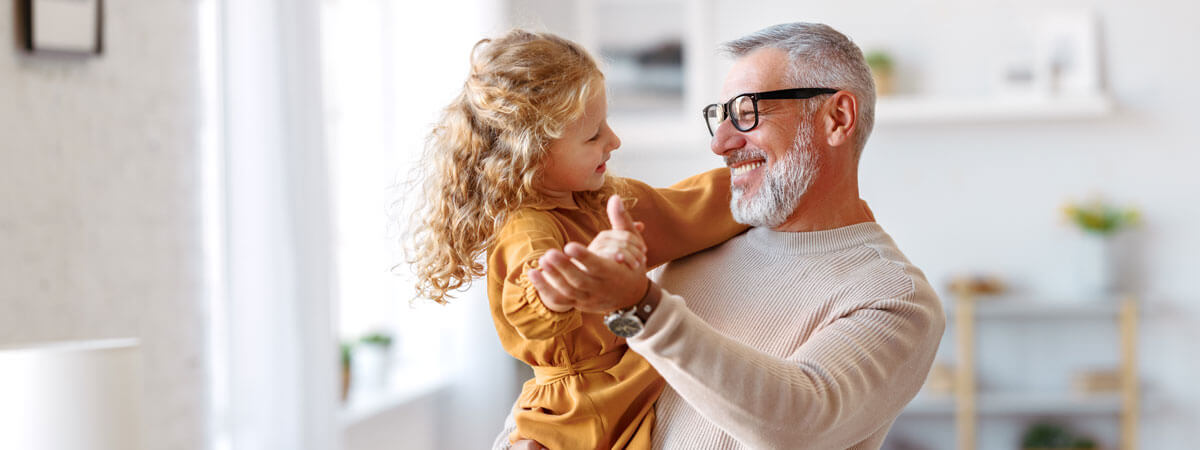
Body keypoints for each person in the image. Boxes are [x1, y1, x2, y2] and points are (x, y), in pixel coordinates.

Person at [498, 22, 946, 449]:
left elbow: (797, 423)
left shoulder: (894, 297)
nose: (721, 142)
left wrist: (639, 305)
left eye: (748, 113)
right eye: (721, 116)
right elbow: (591, 379)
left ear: (837, 117)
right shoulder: (705, 240)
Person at [408, 30, 747, 449]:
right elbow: (533, 296)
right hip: (575, 415)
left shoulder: (602, 202)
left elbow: (684, 208)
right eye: (593, 136)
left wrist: (760, 184)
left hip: (624, 383)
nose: (614, 140)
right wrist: (577, 277)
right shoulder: (527, 227)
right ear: (531, 153)